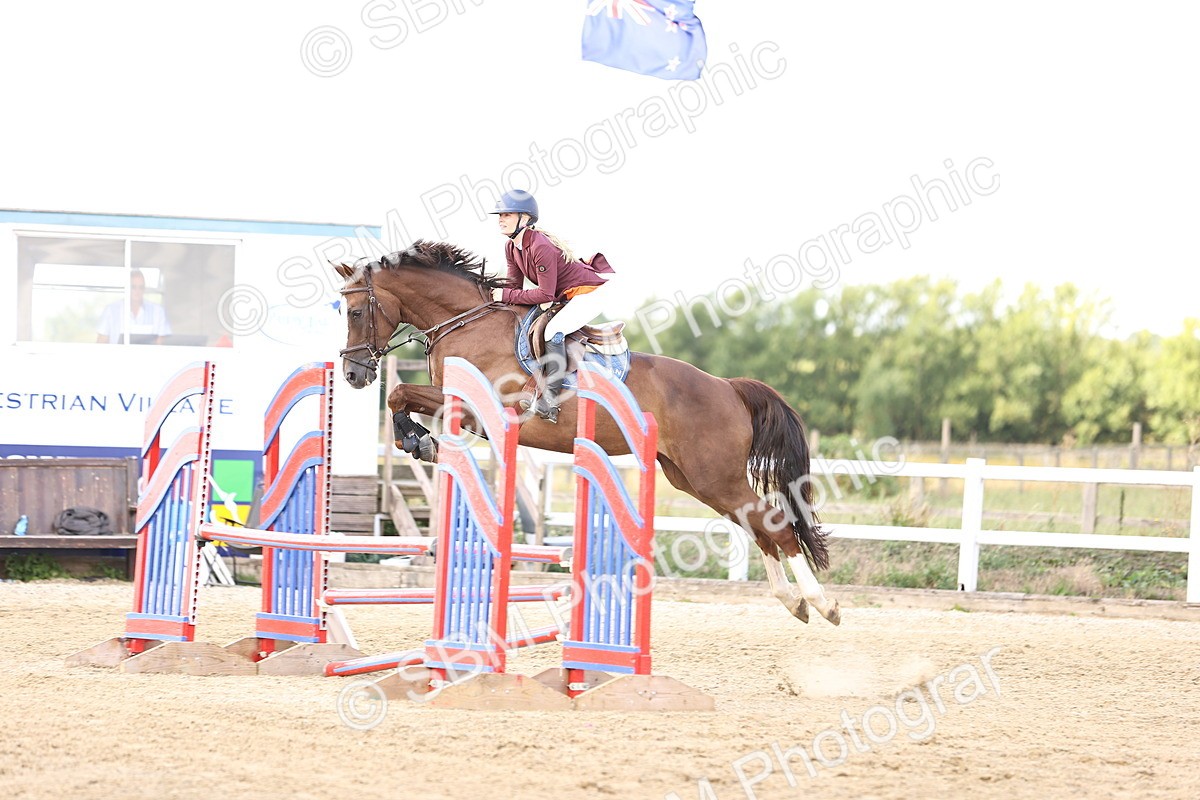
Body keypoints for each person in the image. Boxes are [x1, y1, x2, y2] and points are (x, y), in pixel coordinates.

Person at [488, 190, 617, 423]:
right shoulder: (511, 247)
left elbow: (545, 293)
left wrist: (505, 294)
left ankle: (550, 400)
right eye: (500, 214)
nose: (500, 218)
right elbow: (514, 286)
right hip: (564, 296)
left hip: (589, 294)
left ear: (524, 219)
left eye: (507, 214)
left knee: (551, 332)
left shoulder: (540, 246)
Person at [96, 269, 171, 344]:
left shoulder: (158, 311)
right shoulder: (111, 311)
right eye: (133, 287)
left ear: (144, 289)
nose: (137, 291)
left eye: (141, 287)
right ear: (127, 288)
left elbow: (162, 344)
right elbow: (101, 343)